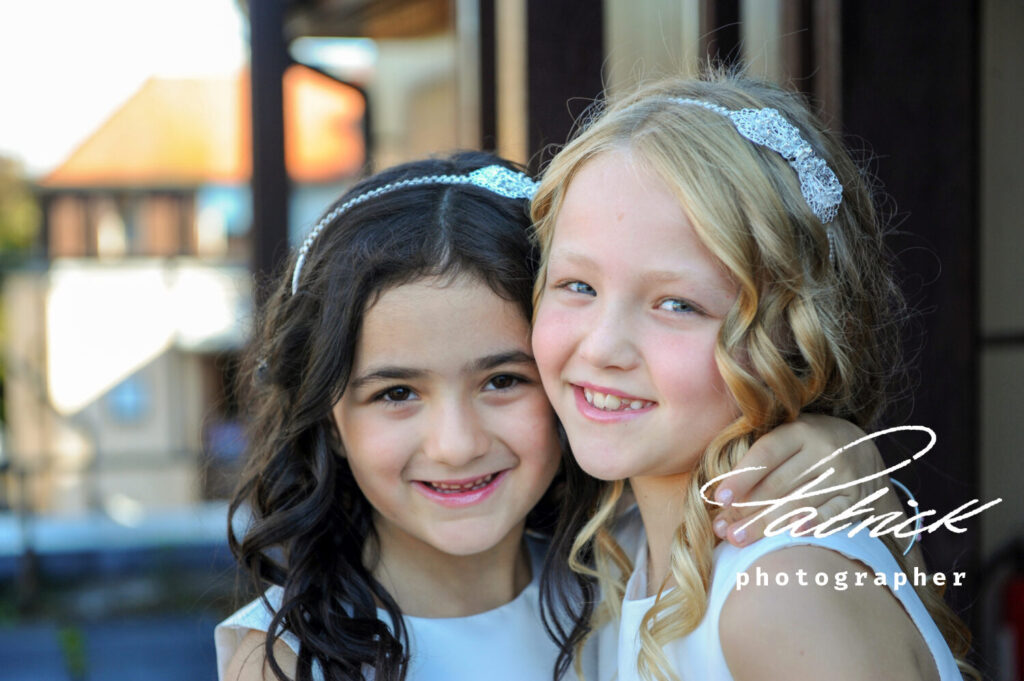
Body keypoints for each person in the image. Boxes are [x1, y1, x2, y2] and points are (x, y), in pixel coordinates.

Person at [215, 151, 906, 681]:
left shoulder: (646, 559)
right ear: (327, 413)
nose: (455, 445)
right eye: (396, 393)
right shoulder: (286, 660)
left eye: (503, 379)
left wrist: (840, 448)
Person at [530, 71, 975, 681]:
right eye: (577, 286)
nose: (603, 346)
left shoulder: (778, 597)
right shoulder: (627, 538)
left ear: (794, 332)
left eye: (677, 304)